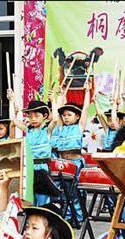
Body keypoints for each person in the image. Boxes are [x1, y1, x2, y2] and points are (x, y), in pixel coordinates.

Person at [52, 80, 91, 226]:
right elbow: (56, 114)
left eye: (69, 114)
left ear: (77, 116)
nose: (66, 117)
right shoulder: (61, 126)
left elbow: (86, 109)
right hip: (62, 162)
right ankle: (67, 216)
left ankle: (78, 216)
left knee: (75, 191)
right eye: (64, 115)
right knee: (63, 191)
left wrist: (87, 92)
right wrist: (59, 97)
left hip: (75, 162)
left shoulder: (79, 127)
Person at [9, 91, 56, 206]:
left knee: (43, 198)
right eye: (30, 116)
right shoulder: (27, 130)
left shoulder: (47, 130)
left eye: (36, 116)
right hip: (29, 167)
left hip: (43, 167)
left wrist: (53, 100)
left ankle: (43, 220)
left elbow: (54, 119)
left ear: (44, 116)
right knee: (31, 197)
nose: (33, 119)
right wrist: (11, 101)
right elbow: (13, 120)